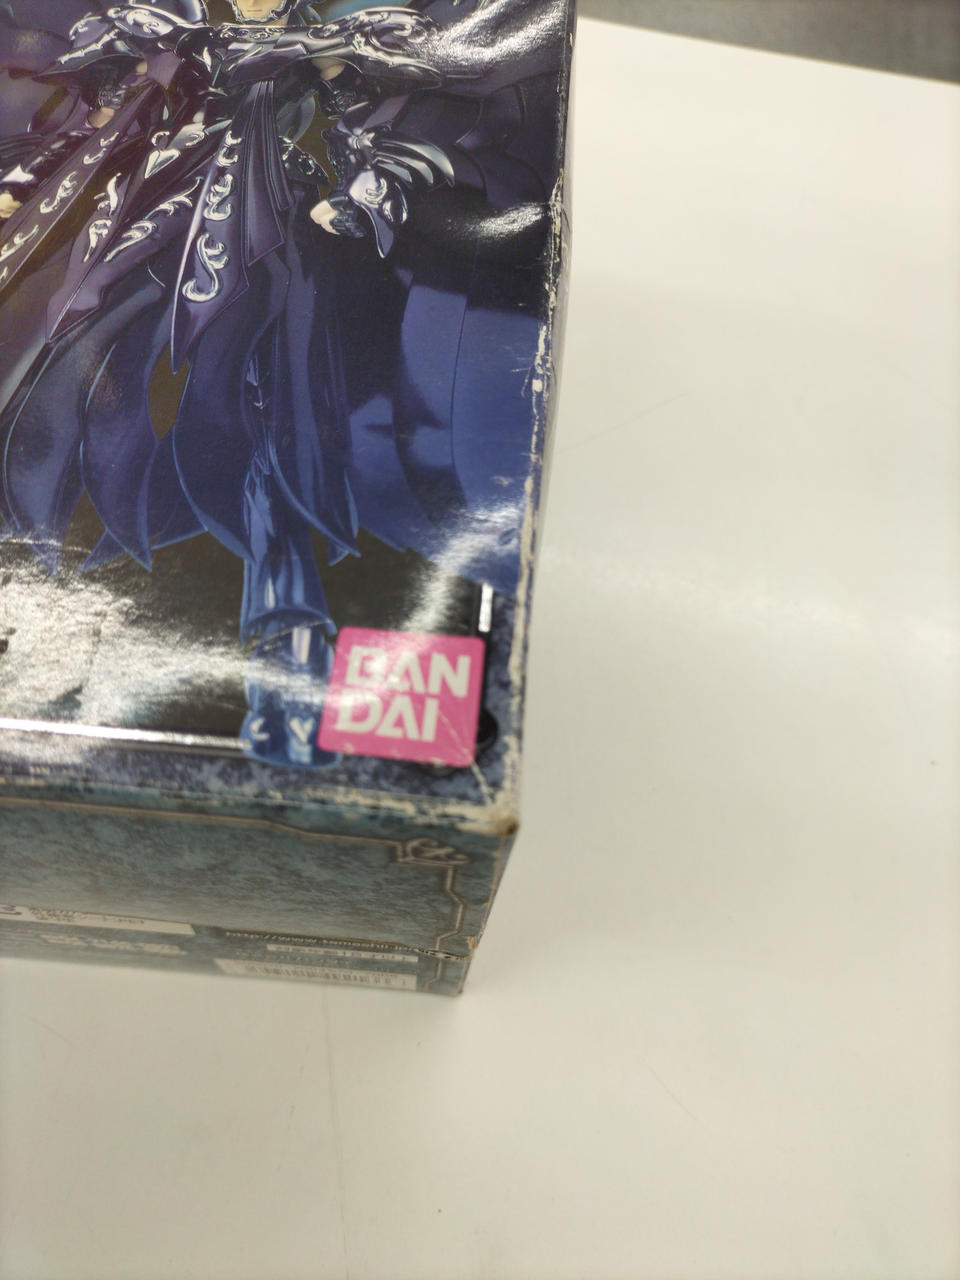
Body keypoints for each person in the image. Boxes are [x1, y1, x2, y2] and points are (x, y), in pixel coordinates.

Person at [0, 0, 562, 765]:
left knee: (276, 440)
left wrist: (371, 190)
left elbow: (397, 129)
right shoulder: (170, 34)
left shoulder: (343, 41)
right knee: (60, 380)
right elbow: (104, 126)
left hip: (285, 251)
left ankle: (292, 673)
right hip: (156, 238)